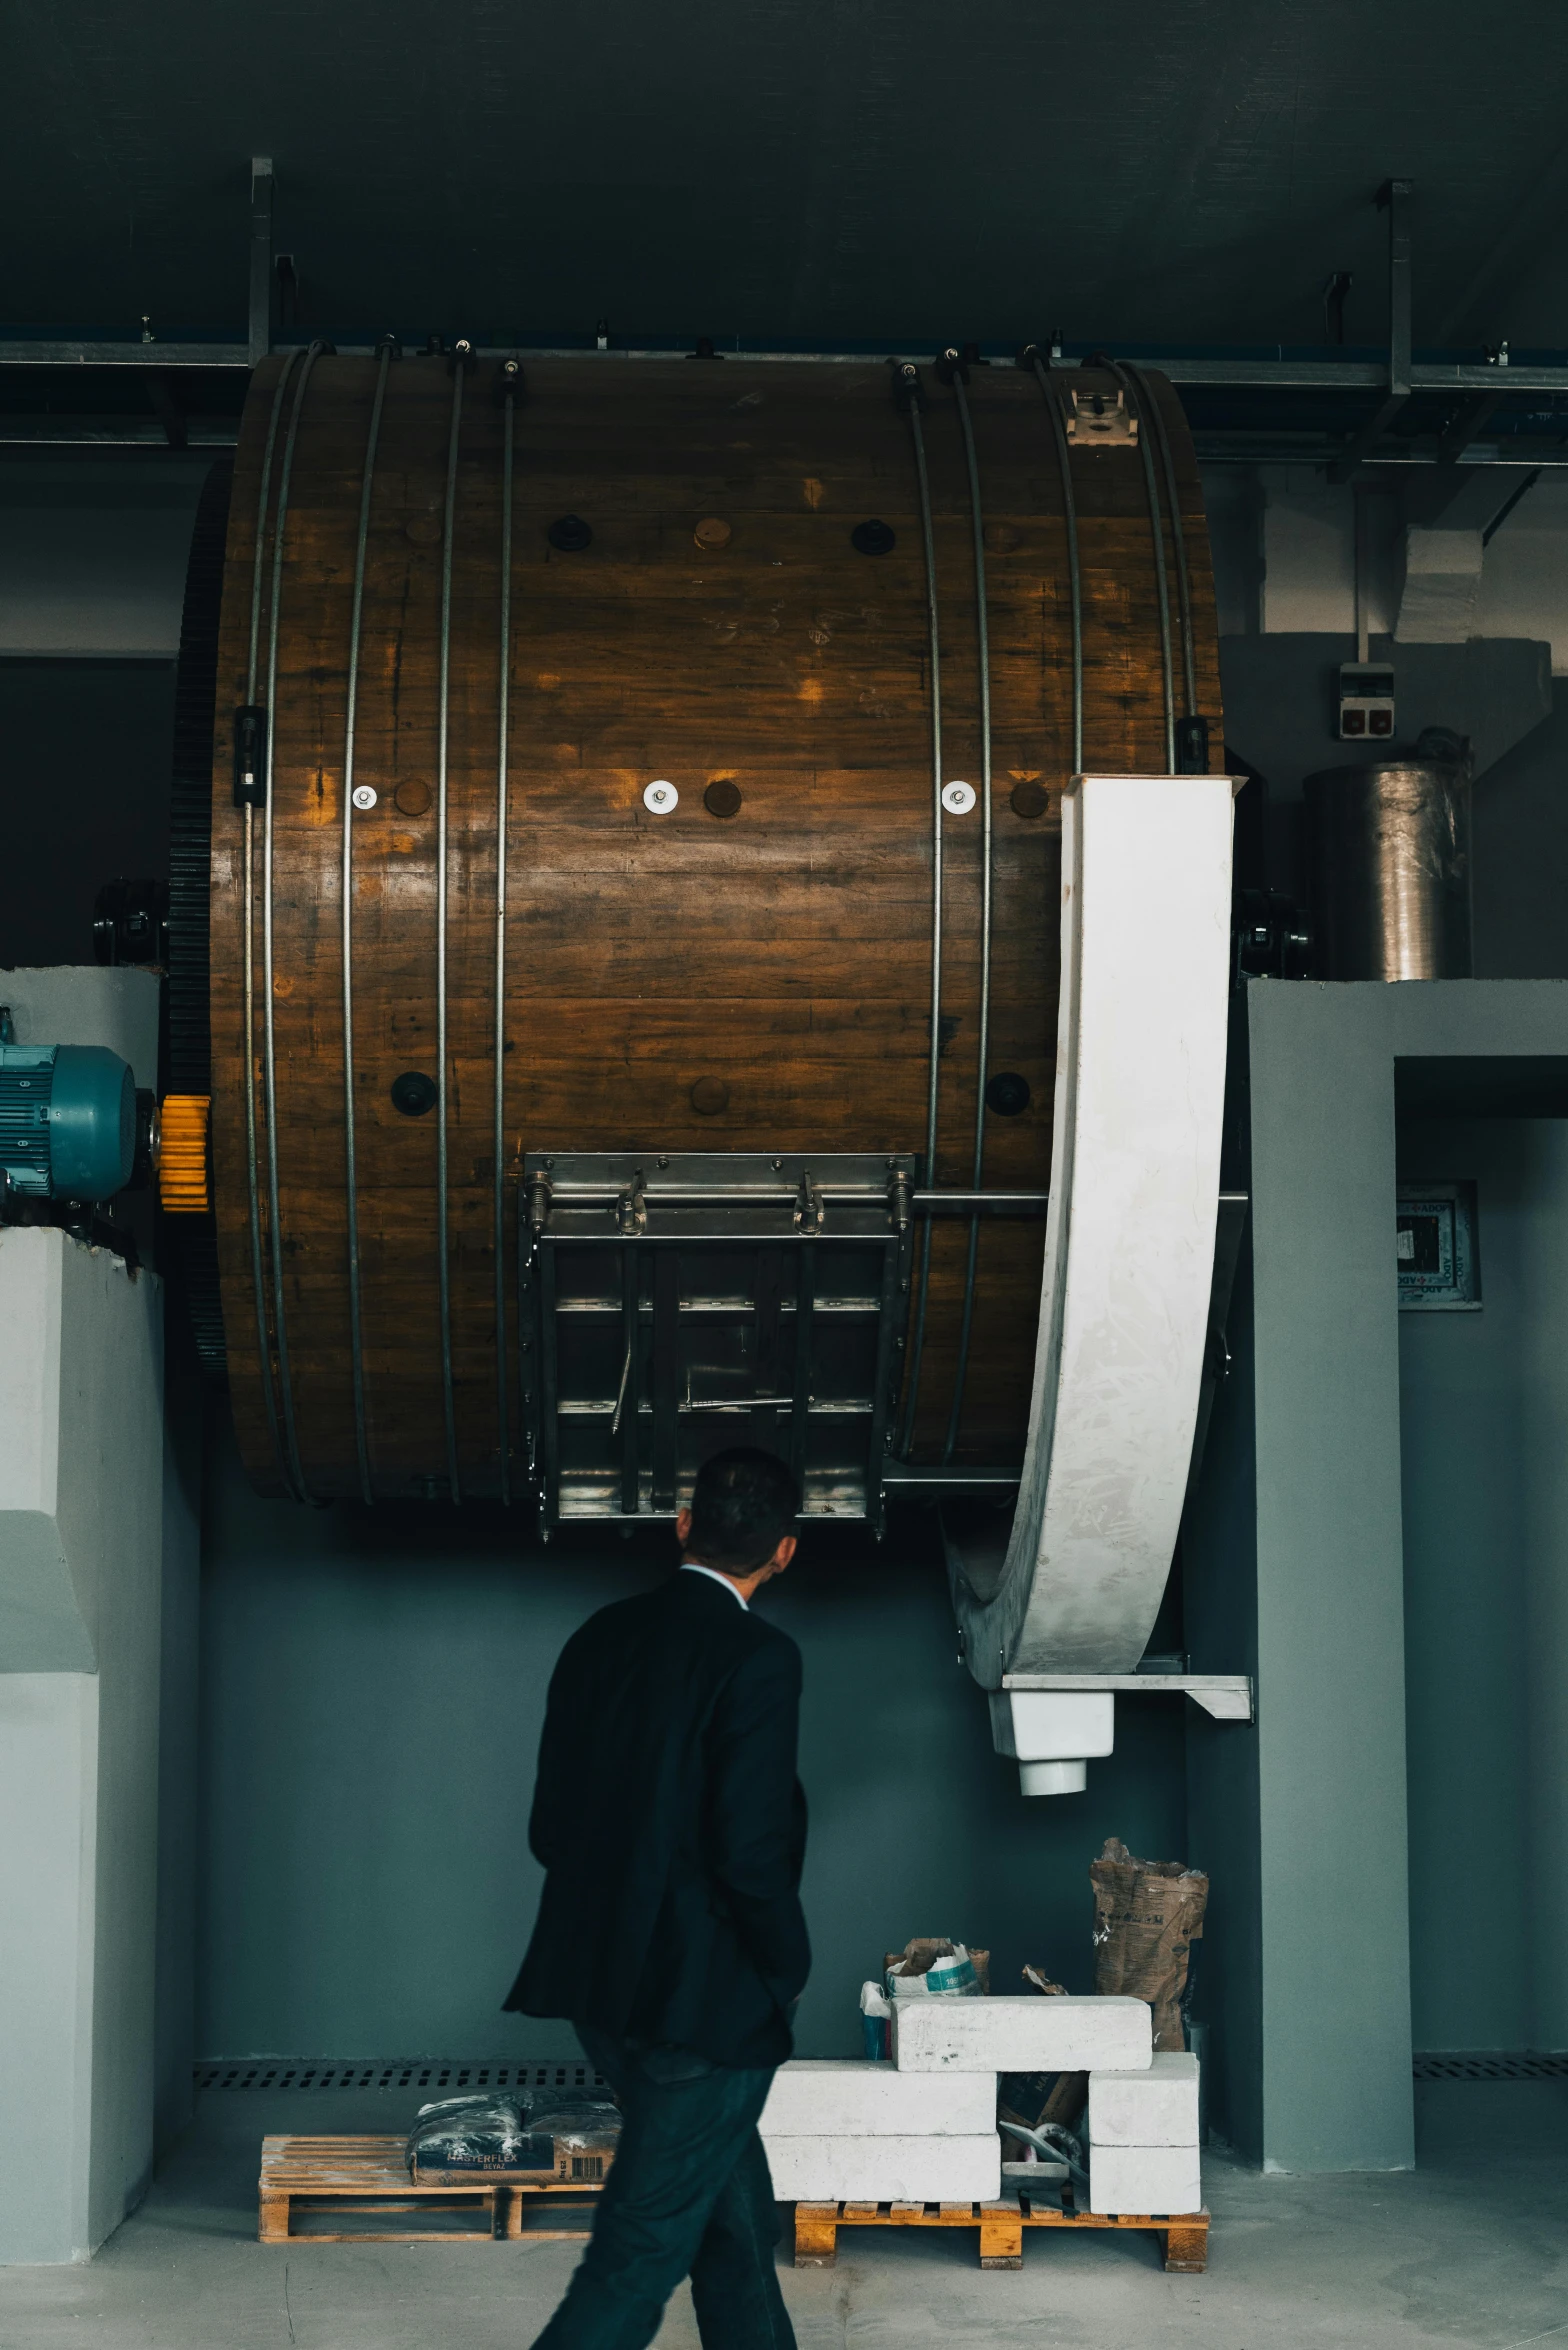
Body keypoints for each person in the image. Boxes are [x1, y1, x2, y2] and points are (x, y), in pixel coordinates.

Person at [506, 1446, 809, 2350]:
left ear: (683, 1527)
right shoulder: (761, 1657)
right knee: (637, 2258)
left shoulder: (597, 1636)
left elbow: (548, 1831)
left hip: (603, 1990)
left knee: (736, 2221)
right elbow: (748, 1849)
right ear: (783, 1553)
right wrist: (785, 1968)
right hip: (700, 2003)